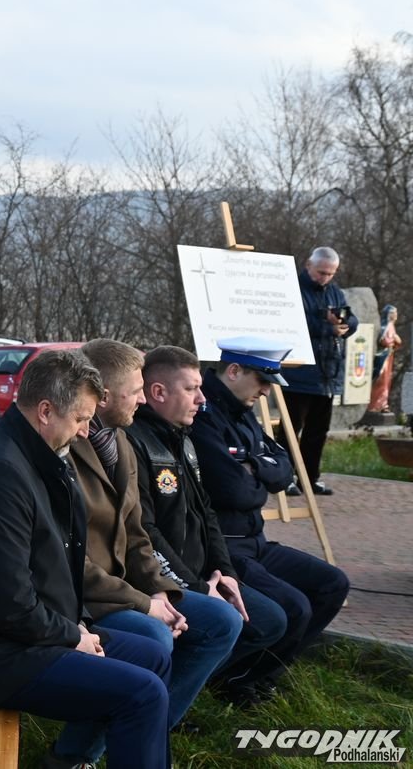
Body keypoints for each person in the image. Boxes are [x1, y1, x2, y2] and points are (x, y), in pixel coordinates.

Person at [0, 349, 172, 769]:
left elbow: (51, 567)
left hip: (23, 635)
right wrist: (72, 636)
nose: (85, 432)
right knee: (143, 694)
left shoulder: (33, 454)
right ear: (45, 411)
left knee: (154, 656)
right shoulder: (0, 474)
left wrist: (76, 626)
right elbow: (9, 605)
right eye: (80, 419)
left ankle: (70, 759)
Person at [53, 340, 239, 762]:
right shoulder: (64, 447)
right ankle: (74, 755)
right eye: (136, 390)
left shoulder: (120, 440)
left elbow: (137, 533)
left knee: (222, 622)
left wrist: (159, 590)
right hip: (84, 596)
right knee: (153, 636)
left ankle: (145, 729)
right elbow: (66, 556)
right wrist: (144, 603)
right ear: (103, 395)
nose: (143, 399)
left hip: (127, 587)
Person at [124, 345, 289, 708]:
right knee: (222, 622)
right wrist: (197, 588)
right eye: (191, 389)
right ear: (158, 392)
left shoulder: (182, 437)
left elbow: (207, 513)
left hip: (201, 573)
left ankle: (176, 699)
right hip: (162, 580)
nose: (201, 399)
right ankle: (152, 715)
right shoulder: (135, 442)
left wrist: (224, 573)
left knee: (271, 620)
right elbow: (145, 532)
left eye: (200, 388)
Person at [191, 337, 350, 704]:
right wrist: (257, 475)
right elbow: (232, 490)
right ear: (234, 371)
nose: (266, 391)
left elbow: (284, 469)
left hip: (257, 541)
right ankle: (234, 680)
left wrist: (253, 468)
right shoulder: (205, 414)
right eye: (262, 380)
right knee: (294, 607)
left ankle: (262, 674)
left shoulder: (242, 410)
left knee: (332, 584)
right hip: (226, 547)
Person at [279, 247, 358, 496]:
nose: (325, 278)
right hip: (298, 373)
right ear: (308, 265)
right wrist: (327, 328)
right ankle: (284, 478)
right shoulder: (292, 289)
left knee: (317, 432)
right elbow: (294, 323)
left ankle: (310, 478)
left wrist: (345, 324)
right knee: (290, 430)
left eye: (330, 274)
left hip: (327, 376)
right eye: (321, 272)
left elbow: (352, 319)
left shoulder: (334, 291)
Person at [368, 304, 401, 414]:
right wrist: (394, 340)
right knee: (381, 381)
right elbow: (383, 341)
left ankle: (383, 404)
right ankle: (375, 404)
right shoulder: (385, 326)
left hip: (388, 356)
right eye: (394, 313)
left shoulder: (391, 326)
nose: (396, 315)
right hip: (383, 356)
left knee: (386, 382)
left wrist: (396, 341)